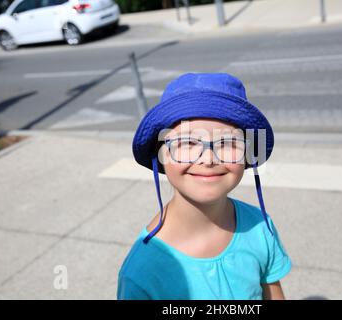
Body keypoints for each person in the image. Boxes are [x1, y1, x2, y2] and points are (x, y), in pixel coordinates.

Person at [117, 73, 292, 300]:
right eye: (187, 143)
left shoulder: (260, 227)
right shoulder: (142, 273)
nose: (208, 159)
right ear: (161, 155)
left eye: (229, 142)